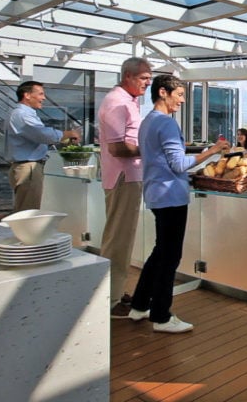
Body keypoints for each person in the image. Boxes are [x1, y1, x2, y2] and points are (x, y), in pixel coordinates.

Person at [128, 74, 229, 333]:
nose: (183, 100)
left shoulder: (147, 121)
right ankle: (161, 317)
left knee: (159, 252)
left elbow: (164, 159)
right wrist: (213, 151)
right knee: (170, 257)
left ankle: (140, 305)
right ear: (163, 92)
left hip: (156, 193)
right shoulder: (167, 123)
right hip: (171, 196)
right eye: (180, 94)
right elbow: (179, 164)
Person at [97, 56, 152, 318]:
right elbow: (117, 147)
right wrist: (151, 149)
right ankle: (108, 299)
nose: (148, 82)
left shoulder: (128, 102)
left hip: (129, 177)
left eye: (149, 78)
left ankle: (115, 291)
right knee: (118, 239)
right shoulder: (117, 103)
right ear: (127, 76)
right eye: (143, 77)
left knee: (122, 237)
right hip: (122, 177)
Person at [5, 81, 80, 212]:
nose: (43, 98)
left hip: (28, 167)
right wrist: (67, 133)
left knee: (27, 210)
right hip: (28, 169)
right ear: (27, 95)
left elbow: (36, 138)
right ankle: (25, 233)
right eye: (40, 94)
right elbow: (42, 134)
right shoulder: (22, 115)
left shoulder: (23, 114)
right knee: (28, 213)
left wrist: (63, 140)